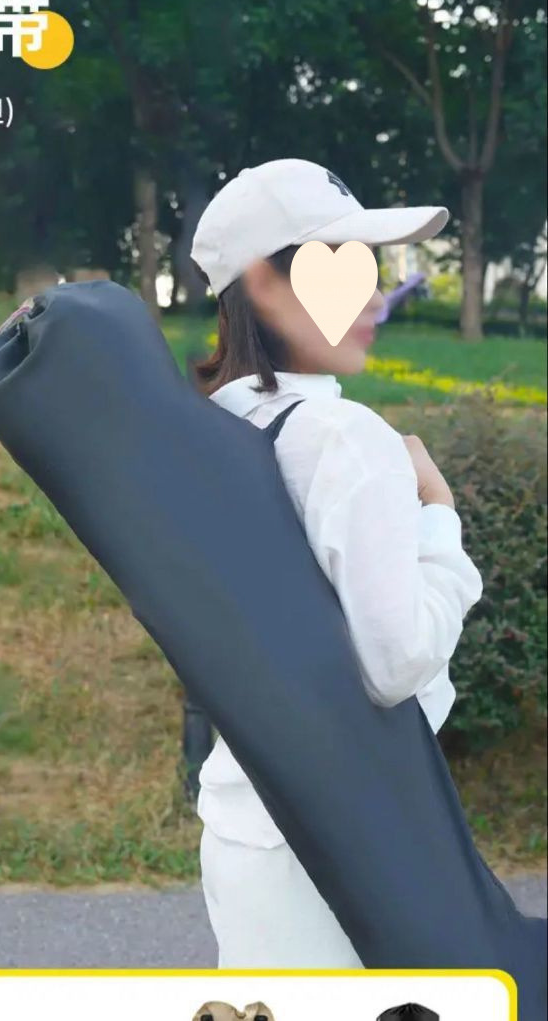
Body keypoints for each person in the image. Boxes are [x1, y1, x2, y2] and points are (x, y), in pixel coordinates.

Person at [190, 158, 483, 968]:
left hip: (244, 817)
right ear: (262, 284)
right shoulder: (345, 440)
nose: (372, 299)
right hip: (339, 833)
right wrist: (438, 517)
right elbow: (395, 664)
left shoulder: (220, 423)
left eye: (369, 272)